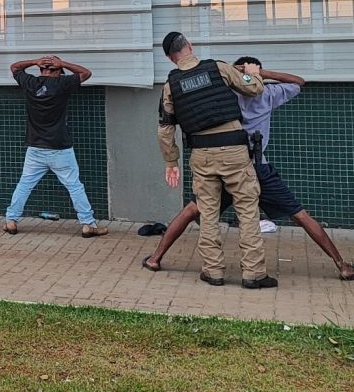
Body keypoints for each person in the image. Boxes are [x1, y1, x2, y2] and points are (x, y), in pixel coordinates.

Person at [144, 57, 354, 281]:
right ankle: (341, 265)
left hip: (226, 165)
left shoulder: (226, 95)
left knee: (193, 211)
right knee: (298, 214)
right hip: (257, 167)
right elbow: (298, 81)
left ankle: (155, 258)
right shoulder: (267, 94)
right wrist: (262, 74)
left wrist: (238, 72)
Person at [158, 32, 276, 289]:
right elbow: (254, 88)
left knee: (208, 213)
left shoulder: (171, 85)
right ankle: (254, 274)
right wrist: (254, 72)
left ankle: (213, 271)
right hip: (234, 149)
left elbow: (165, 128)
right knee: (247, 211)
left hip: (201, 154)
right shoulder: (218, 68)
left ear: (170, 58)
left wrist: (171, 162)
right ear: (190, 46)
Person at [3, 55, 108, 238]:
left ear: (42, 70)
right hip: (60, 148)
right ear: (58, 71)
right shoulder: (62, 83)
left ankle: (11, 221)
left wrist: (35, 61)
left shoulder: (30, 83)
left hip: (35, 147)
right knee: (74, 186)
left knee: (25, 185)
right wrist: (64, 63)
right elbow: (86, 73)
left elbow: (15, 67)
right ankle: (88, 225)